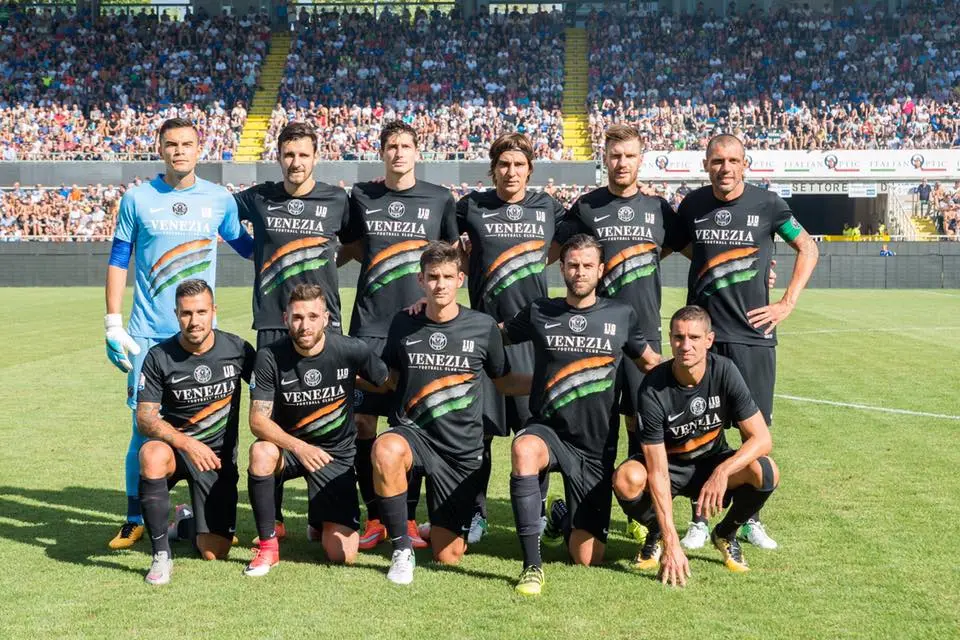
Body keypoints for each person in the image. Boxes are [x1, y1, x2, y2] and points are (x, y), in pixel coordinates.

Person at [104, 118, 253, 550]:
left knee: (211, 426)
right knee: (143, 428)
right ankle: (135, 518)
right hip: (150, 336)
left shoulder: (219, 200)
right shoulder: (137, 198)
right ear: (160, 148)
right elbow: (118, 259)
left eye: (187, 144)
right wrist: (113, 321)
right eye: (171, 144)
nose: (180, 151)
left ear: (199, 148)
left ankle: (207, 513)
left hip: (202, 337)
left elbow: (248, 248)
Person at [671, 133, 817, 549]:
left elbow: (807, 247)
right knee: (700, 430)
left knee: (757, 432)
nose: (725, 168)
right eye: (717, 161)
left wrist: (786, 302)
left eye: (733, 160)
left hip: (754, 338)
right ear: (706, 165)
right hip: (703, 340)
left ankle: (749, 516)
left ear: (745, 163)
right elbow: (688, 249)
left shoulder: (769, 205)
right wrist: (732, 265)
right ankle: (700, 518)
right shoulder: (693, 205)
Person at [504, 234, 660, 596]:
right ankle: (532, 567)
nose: (580, 271)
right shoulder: (540, 311)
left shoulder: (621, 314)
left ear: (601, 270)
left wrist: (701, 373)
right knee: (524, 449)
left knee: (587, 557)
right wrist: (440, 317)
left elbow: (650, 362)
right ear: (562, 268)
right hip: (548, 431)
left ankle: (561, 516)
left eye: (588, 265)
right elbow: (495, 336)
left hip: (595, 447)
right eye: (573, 264)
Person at [370, 242, 529, 585]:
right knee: (386, 449)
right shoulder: (403, 322)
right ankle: (401, 548)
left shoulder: (483, 326)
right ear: (420, 281)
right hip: (414, 432)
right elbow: (391, 377)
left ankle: (434, 526)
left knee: (449, 556)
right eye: (432, 277)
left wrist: (547, 381)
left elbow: (502, 381)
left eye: (446, 277)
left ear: (460, 279)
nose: (439, 284)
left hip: (459, 448)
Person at [555, 124, 680, 542]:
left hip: (645, 336)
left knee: (643, 427)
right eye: (614, 155)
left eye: (629, 155)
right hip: (595, 338)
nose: (621, 162)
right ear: (604, 159)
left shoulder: (660, 209)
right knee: (598, 426)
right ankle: (589, 511)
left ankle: (635, 504)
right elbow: (549, 252)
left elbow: (693, 251)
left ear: (641, 158)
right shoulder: (586, 207)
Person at [340, 120, 459, 550]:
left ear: (417, 151)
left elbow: (448, 258)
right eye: (391, 146)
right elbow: (349, 247)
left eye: (406, 145)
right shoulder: (361, 197)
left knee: (415, 422)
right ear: (382, 152)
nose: (398, 153)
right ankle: (376, 516)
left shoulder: (439, 199)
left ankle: (407, 519)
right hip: (370, 328)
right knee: (362, 422)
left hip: (421, 328)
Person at [234, 121, 351, 542]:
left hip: (325, 324)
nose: (296, 162)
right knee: (275, 417)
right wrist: (253, 251)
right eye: (288, 154)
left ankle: (323, 513)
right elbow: (221, 216)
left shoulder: (338, 199)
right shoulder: (258, 197)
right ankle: (276, 517)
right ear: (278, 157)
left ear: (315, 157)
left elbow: (354, 243)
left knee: (326, 413)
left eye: (303, 154)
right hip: (271, 323)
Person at [613, 305, 780, 584]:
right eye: (678, 337)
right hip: (670, 465)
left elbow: (762, 439)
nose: (685, 345)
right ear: (670, 338)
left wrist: (723, 471)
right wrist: (671, 543)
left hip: (711, 462)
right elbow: (657, 471)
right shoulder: (653, 388)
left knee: (766, 470)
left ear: (709, 340)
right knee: (626, 478)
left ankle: (725, 534)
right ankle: (656, 533)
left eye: (694, 338)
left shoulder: (725, 371)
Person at [454, 132, 566, 544]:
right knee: (476, 433)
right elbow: (444, 243)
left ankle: (534, 514)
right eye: (503, 164)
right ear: (493, 168)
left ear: (530, 170)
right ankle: (476, 513)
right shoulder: (472, 206)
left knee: (532, 432)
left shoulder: (548, 207)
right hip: (482, 338)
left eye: (519, 165)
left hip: (530, 340)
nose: (511, 171)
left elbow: (577, 246)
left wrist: (537, 259)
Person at [243, 284, 389, 577]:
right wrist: (299, 447)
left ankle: (320, 519)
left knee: (342, 555)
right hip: (292, 451)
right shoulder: (270, 357)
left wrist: (352, 381)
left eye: (312, 316)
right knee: (261, 451)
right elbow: (257, 421)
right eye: (297, 317)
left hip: (335, 455)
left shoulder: (351, 349)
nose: (304, 325)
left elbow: (384, 380)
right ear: (286, 318)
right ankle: (268, 547)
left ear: (326, 318)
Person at [135, 279, 255, 585]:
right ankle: (161, 555)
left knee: (214, 552)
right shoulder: (159, 356)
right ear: (176, 314)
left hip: (216, 461)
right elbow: (146, 420)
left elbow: (269, 390)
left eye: (201, 311)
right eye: (186, 313)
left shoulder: (238, 349)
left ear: (214, 311)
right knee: (151, 453)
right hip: (179, 451)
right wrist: (188, 444)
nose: (194, 320)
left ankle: (185, 522)